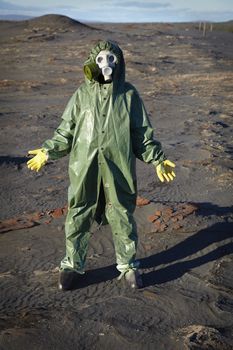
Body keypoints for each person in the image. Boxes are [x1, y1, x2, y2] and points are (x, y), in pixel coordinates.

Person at [27, 40, 176, 291]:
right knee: (79, 212)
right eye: (100, 60)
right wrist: (47, 151)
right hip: (84, 167)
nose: (105, 64)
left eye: (111, 59)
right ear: (92, 62)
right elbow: (66, 131)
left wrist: (157, 159)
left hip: (118, 166)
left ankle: (128, 266)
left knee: (121, 212)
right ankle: (73, 265)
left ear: (119, 62)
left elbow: (141, 135)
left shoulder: (128, 95)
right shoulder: (81, 95)